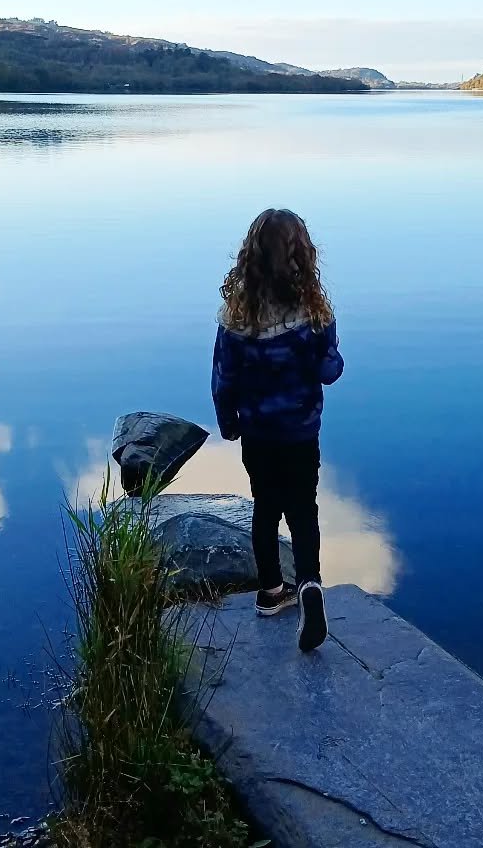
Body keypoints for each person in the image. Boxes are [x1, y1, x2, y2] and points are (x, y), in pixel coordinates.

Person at [211, 208, 344, 652]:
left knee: (265, 507)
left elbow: (223, 377)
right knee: (303, 508)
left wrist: (228, 423)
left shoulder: (237, 314)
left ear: (250, 255)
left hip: (258, 432)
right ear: (301, 254)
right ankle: (309, 582)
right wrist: (333, 357)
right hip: (301, 430)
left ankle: (270, 592)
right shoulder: (312, 309)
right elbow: (328, 370)